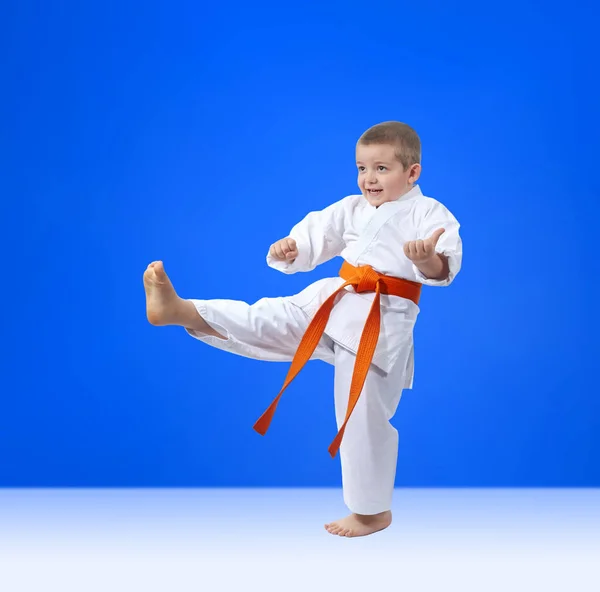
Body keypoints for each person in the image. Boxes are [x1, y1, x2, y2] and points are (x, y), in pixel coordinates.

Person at [143, 121, 463, 538]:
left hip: (382, 321)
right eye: (362, 168)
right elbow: (315, 238)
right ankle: (183, 310)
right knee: (267, 317)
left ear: (412, 173)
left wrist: (426, 261)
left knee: (362, 412)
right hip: (335, 298)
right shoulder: (351, 208)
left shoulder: (429, 213)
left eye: (381, 168)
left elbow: (444, 266)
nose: (369, 178)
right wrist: (292, 249)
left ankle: (371, 511)